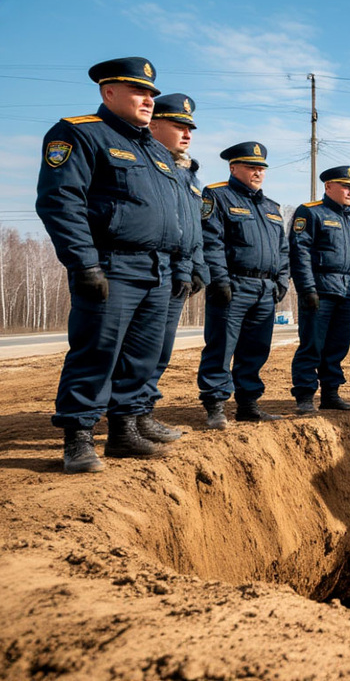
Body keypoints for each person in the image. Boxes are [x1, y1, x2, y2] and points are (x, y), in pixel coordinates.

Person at [36, 56, 185, 473]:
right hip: (111, 264)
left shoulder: (156, 150)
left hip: (157, 268)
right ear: (108, 92)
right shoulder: (80, 133)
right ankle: (79, 437)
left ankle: (124, 431)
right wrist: (84, 264)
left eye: (152, 93)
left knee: (142, 355)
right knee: (97, 351)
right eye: (139, 91)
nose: (148, 99)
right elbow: (60, 201)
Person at [196, 141, 289, 428]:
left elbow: (282, 249)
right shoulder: (218, 197)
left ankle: (248, 404)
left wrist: (281, 281)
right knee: (221, 346)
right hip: (233, 286)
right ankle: (215, 406)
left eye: (261, 168)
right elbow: (211, 241)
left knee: (256, 348)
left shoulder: (272, 208)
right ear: (233, 167)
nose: (258, 172)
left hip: (264, 289)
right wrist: (220, 280)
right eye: (251, 167)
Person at [135, 92, 208, 443]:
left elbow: (191, 227)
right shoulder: (148, 162)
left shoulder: (188, 174)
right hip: (142, 268)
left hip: (176, 273)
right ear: (155, 123)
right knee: (132, 351)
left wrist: (196, 267)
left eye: (190, 127)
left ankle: (142, 413)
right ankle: (118, 420)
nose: (188, 133)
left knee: (159, 351)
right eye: (180, 125)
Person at [290, 166, 350, 413]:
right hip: (320, 291)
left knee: (337, 346)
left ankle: (331, 393)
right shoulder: (312, 212)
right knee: (312, 344)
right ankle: (305, 396)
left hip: (347, 291)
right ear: (328, 186)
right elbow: (299, 251)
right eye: (345, 186)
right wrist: (307, 288)